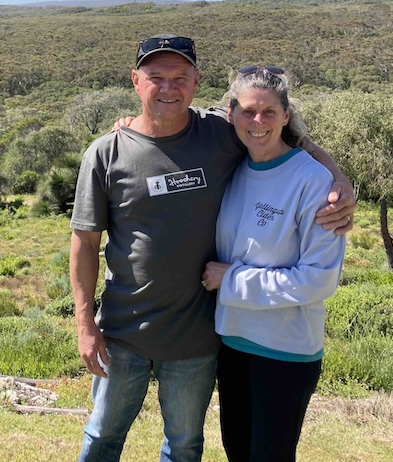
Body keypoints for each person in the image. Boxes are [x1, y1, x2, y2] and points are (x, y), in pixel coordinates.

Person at [70, 34, 354, 462]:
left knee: (185, 445)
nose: (168, 88)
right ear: (135, 81)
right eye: (156, 77)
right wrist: (84, 324)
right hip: (123, 331)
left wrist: (338, 179)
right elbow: (85, 242)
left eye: (180, 77)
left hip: (198, 336)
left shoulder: (221, 133)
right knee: (101, 438)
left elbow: (281, 133)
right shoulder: (109, 152)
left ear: (197, 81)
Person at [201, 66, 345, 462]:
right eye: (248, 111)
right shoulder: (232, 169)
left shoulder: (313, 181)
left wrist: (232, 280)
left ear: (286, 115)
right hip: (232, 343)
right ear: (231, 114)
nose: (258, 121)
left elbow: (318, 280)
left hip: (285, 350)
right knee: (237, 451)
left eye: (269, 112)